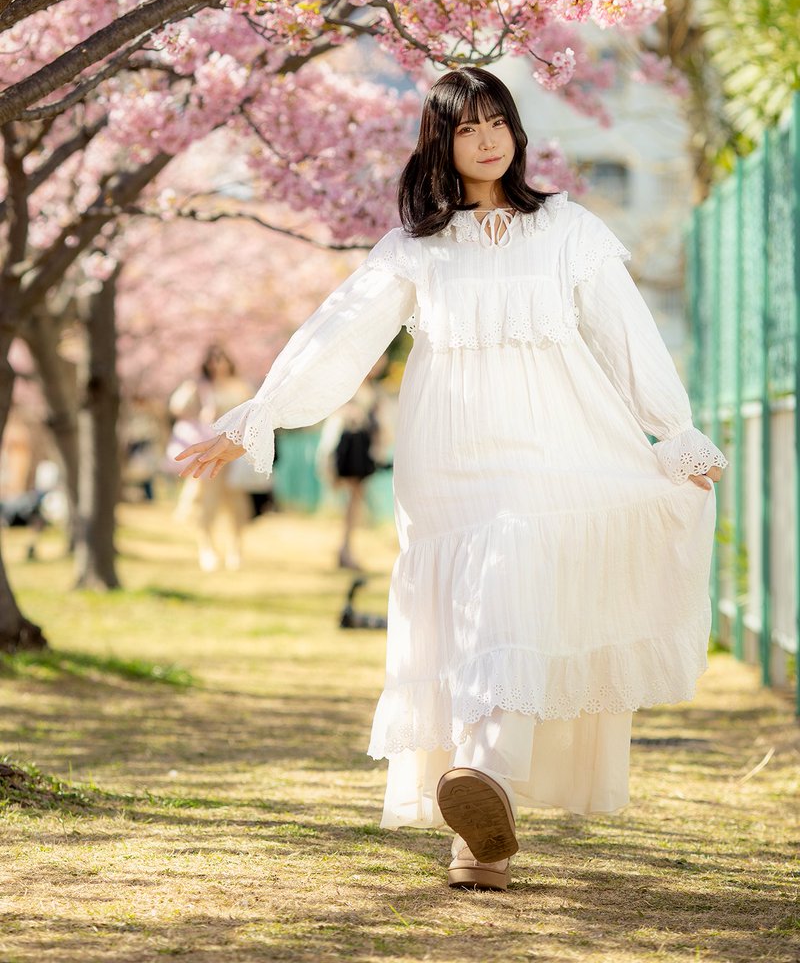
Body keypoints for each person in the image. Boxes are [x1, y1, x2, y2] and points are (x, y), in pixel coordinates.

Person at [175, 67, 727, 892]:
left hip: (557, 444)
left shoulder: (568, 229)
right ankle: (480, 839)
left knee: (511, 583)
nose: (488, 138)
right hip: (451, 458)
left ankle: (486, 782)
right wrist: (260, 412)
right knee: (474, 619)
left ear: (517, 131)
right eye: (468, 127)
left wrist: (674, 430)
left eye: (498, 120)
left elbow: (625, 334)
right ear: (442, 141)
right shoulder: (414, 248)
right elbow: (342, 334)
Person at [169, 345, 255, 571]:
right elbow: (176, 406)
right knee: (206, 503)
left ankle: (236, 549)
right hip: (210, 451)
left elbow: (252, 416)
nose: (217, 364)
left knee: (236, 504)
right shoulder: (200, 387)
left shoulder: (240, 386)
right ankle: (207, 549)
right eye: (213, 359)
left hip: (234, 455)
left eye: (221, 358)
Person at [316, 356, 390, 571]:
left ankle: (346, 549)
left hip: (361, 451)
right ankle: (344, 549)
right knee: (350, 502)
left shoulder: (373, 390)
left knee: (355, 502)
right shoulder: (349, 385)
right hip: (348, 449)